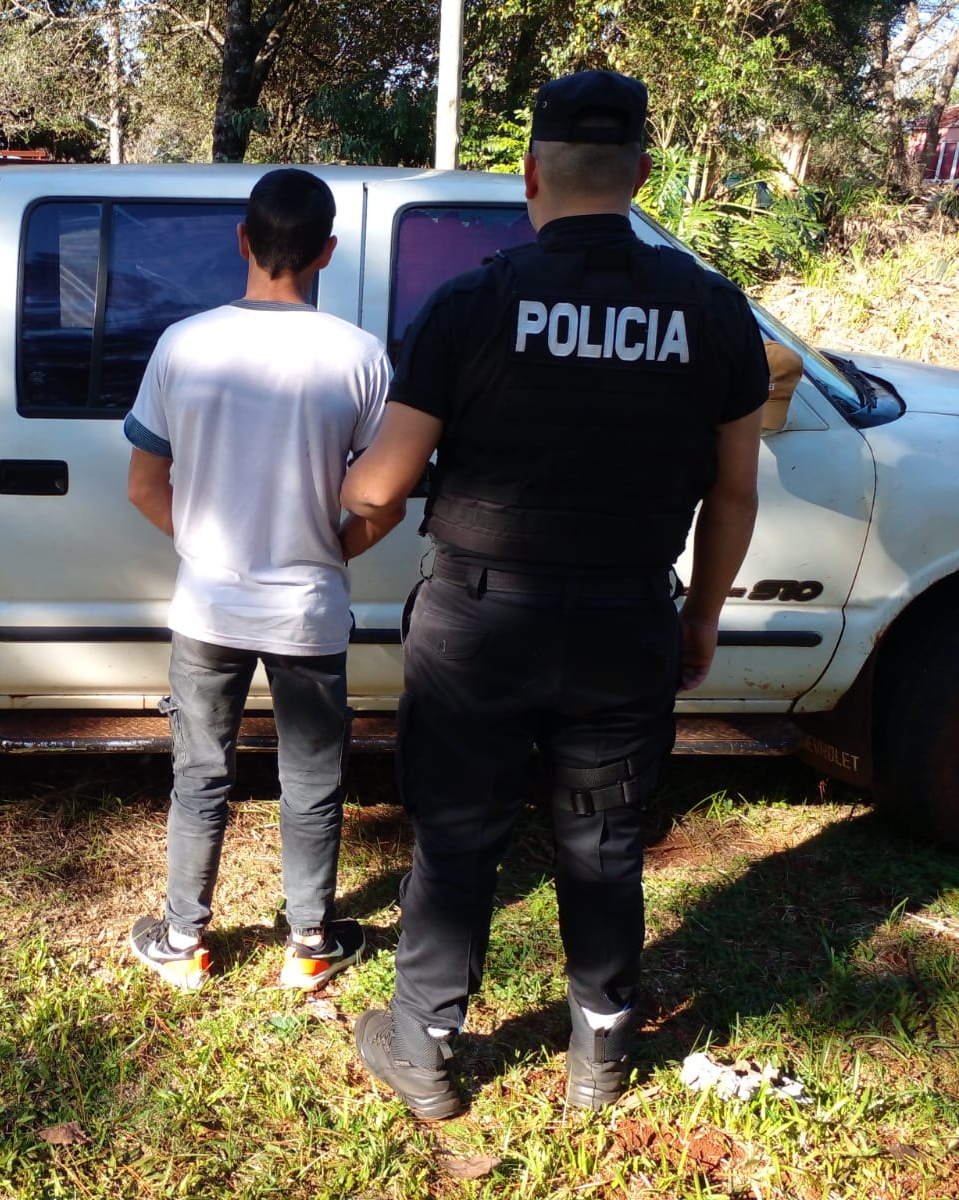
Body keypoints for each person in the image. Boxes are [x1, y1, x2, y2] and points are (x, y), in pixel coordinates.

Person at [339, 70, 768, 1114]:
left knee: (457, 836)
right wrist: (699, 617)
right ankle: (601, 1056)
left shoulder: (472, 302)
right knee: (604, 839)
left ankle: (428, 1051)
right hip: (626, 617)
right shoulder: (711, 310)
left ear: (528, 172)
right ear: (644, 175)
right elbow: (734, 491)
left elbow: (381, 484)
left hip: (481, 619)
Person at [124, 168, 394, 991]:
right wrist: (318, 549)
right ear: (329, 251)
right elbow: (381, 502)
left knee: (200, 774)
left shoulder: (183, 343)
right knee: (311, 779)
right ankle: (309, 944)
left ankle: (183, 942)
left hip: (207, 604)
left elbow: (143, 486)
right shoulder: (359, 356)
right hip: (308, 611)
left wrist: (209, 543)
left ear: (242, 241)